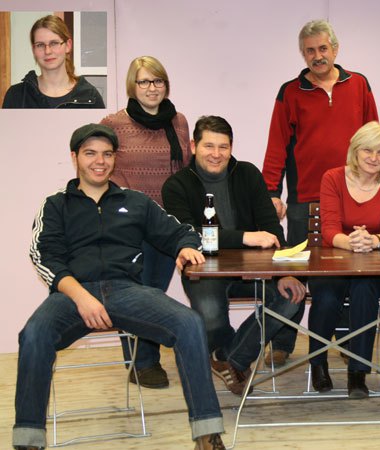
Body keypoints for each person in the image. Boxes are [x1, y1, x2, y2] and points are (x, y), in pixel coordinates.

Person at [14, 124, 224, 450]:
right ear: (74, 157)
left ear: (115, 159)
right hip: (72, 293)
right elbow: (44, 256)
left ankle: (207, 434)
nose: (100, 161)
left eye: (107, 154)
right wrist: (82, 297)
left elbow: (180, 231)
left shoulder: (135, 201)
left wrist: (184, 246)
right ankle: (28, 440)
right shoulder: (55, 205)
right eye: (90, 153)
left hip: (126, 291)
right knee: (33, 335)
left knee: (189, 323)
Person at [261, 19, 379, 365]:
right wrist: (271, 191)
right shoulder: (290, 92)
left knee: (345, 275)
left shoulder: (359, 84)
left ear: (335, 49)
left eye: (323, 48)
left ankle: (347, 344)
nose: (317, 56)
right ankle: (282, 343)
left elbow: (375, 138)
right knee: (295, 271)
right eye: (310, 50)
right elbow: (277, 145)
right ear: (303, 54)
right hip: (304, 201)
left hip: (353, 198)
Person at [162, 116, 306, 396]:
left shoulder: (248, 174)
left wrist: (286, 270)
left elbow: (272, 227)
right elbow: (188, 233)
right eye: (209, 146)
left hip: (254, 267)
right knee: (209, 312)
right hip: (204, 269)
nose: (216, 154)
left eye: (223, 147)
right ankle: (231, 357)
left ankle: (230, 358)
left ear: (231, 147)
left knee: (292, 296)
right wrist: (244, 237)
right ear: (193, 146)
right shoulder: (176, 185)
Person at [100, 56, 191, 389]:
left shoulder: (178, 121)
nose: (152, 88)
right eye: (144, 82)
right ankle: (142, 362)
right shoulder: (113, 123)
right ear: (132, 86)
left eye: (158, 81)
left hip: (166, 224)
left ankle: (144, 356)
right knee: (131, 293)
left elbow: (184, 170)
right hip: (129, 224)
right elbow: (102, 166)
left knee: (153, 292)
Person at [307, 122, 380, 399]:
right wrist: (353, 242)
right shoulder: (332, 178)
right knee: (327, 296)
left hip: (376, 265)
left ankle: (358, 371)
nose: (374, 158)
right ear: (355, 150)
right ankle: (318, 363)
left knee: (365, 290)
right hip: (335, 261)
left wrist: (372, 241)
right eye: (368, 150)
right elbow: (329, 230)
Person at [2, 15, 105, 109]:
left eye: (54, 43)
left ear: (68, 46)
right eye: (40, 45)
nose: (47, 51)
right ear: (34, 50)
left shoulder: (91, 97)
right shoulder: (16, 95)